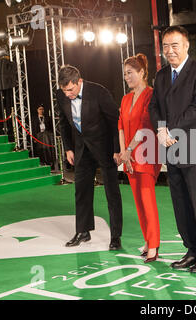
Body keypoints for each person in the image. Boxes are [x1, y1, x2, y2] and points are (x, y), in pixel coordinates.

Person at [148, 25, 196, 273]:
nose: (170, 50)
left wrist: (169, 129)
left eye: (175, 45)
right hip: (171, 147)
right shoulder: (161, 75)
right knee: (180, 202)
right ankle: (191, 249)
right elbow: (153, 107)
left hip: (195, 144)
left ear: (186, 46)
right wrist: (161, 129)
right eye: (165, 46)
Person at [57, 64, 123, 250]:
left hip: (105, 147)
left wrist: (117, 149)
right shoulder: (60, 95)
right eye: (64, 90)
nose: (68, 94)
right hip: (81, 148)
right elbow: (63, 122)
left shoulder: (99, 92)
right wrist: (68, 148)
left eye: (71, 89)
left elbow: (114, 121)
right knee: (82, 190)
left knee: (112, 192)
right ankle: (83, 231)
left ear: (80, 82)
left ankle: (116, 236)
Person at [115, 53, 162, 263]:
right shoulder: (125, 99)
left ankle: (154, 245)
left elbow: (145, 126)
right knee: (138, 202)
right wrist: (124, 153)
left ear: (142, 72)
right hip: (129, 157)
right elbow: (121, 127)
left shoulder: (151, 95)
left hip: (146, 153)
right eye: (125, 74)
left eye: (130, 73)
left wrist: (129, 151)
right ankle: (147, 240)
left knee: (147, 199)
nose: (127, 77)